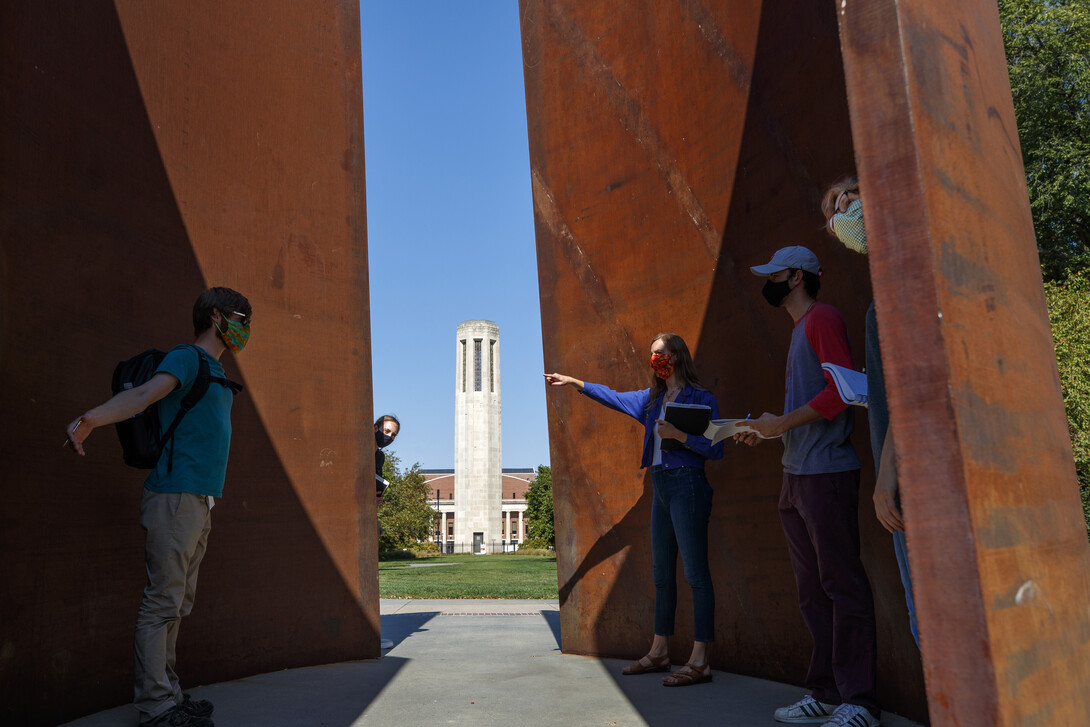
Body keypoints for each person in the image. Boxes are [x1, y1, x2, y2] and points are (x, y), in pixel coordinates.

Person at [64, 287, 252, 727]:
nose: (247, 327)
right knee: (162, 603)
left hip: (199, 501)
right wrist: (91, 419)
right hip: (174, 496)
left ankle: (169, 693)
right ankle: (155, 707)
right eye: (241, 317)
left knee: (178, 603)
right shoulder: (187, 357)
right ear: (216, 317)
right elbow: (144, 395)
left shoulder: (216, 371)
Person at [734, 247, 880, 727]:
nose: (768, 282)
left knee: (843, 586)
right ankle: (824, 692)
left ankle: (859, 702)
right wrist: (765, 428)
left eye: (774, 274)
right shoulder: (800, 329)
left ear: (796, 277)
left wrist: (782, 425)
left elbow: (845, 392)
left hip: (826, 473)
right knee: (812, 592)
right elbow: (804, 407)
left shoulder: (822, 319)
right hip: (796, 475)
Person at [544, 333, 723, 687]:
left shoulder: (700, 398)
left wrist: (681, 436)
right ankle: (659, 651)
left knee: (696, 574)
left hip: (688, 483)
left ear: (676, 355)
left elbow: (716, 449)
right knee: (661, 574)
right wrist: (575, 382)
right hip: (661, 486)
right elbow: (612, 396)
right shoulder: (651, 400)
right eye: (651, 354)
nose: (654, 358)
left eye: (660, 353)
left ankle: (700, 660)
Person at [823, 176, 919, 647]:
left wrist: (887, 477)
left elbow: (914, 387)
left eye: (849, 196)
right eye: (833, 211)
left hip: (913, 480)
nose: (843, 209)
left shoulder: (903, 284)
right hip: (904, 472)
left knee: (934, 616)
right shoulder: (885, 294)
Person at [374, 414, 400, 497]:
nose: (389, 436)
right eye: (387, 431)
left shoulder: (380, 457)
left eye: (393, 435)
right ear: (375, 428)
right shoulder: (359, 450)